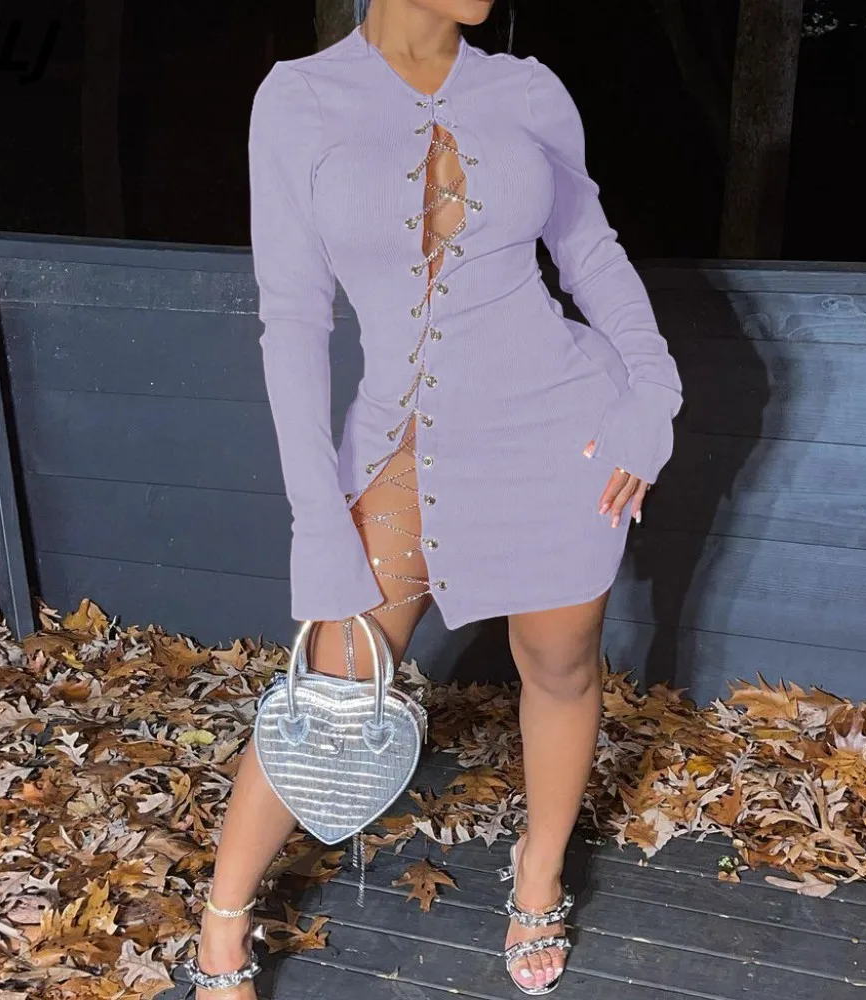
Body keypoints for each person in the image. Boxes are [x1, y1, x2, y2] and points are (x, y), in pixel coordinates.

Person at [185, 0, 683, 995]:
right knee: (330, 691)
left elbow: (590, 253)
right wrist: (316, 519)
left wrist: (652, 397)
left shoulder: (527, 89)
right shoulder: (299, 100)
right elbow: (292, 321)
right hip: (404, 444)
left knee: (560, 663)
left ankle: (539, 874)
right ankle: (222, 922)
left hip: (562, 426)